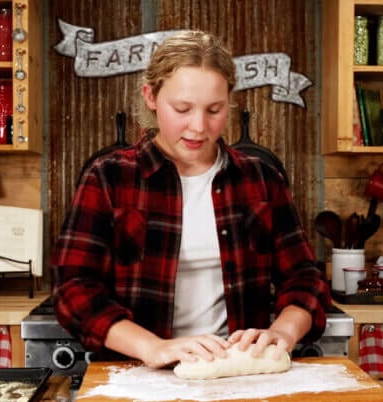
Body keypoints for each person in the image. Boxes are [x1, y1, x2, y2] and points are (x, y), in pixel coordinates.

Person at [52, 30, 330, 369]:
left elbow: (305, 277)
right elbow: (73, 291)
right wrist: (153, 347)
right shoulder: (108, 177)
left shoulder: (261, 178)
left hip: (239, 372)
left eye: (214, 109)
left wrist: (283, 332)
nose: (198, 127)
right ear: (151, 97)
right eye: (182, 109)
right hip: (139, 374)